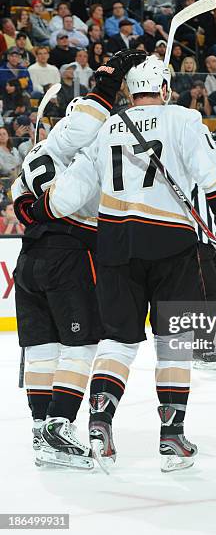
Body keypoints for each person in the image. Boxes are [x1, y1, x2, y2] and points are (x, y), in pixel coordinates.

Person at [21, 54, 216, 473]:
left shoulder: (105, 129)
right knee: (173, 343)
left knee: (118, 342)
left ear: (128, 90)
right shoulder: (184, 119)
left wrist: (35, 210)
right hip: (171, 246)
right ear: (164, 87)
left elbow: (67, 197)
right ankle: (172, 437)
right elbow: (214, 177)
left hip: (114, 249)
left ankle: (100, 422)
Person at [12, 49, 146, 469]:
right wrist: (108, 82)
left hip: (29, 257)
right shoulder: (84, 145)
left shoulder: (35, 156)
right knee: (82, 344)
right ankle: (59, 425)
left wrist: (39, 214)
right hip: (68, 255)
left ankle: (41, 433)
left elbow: (20, 205)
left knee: (41, 349)